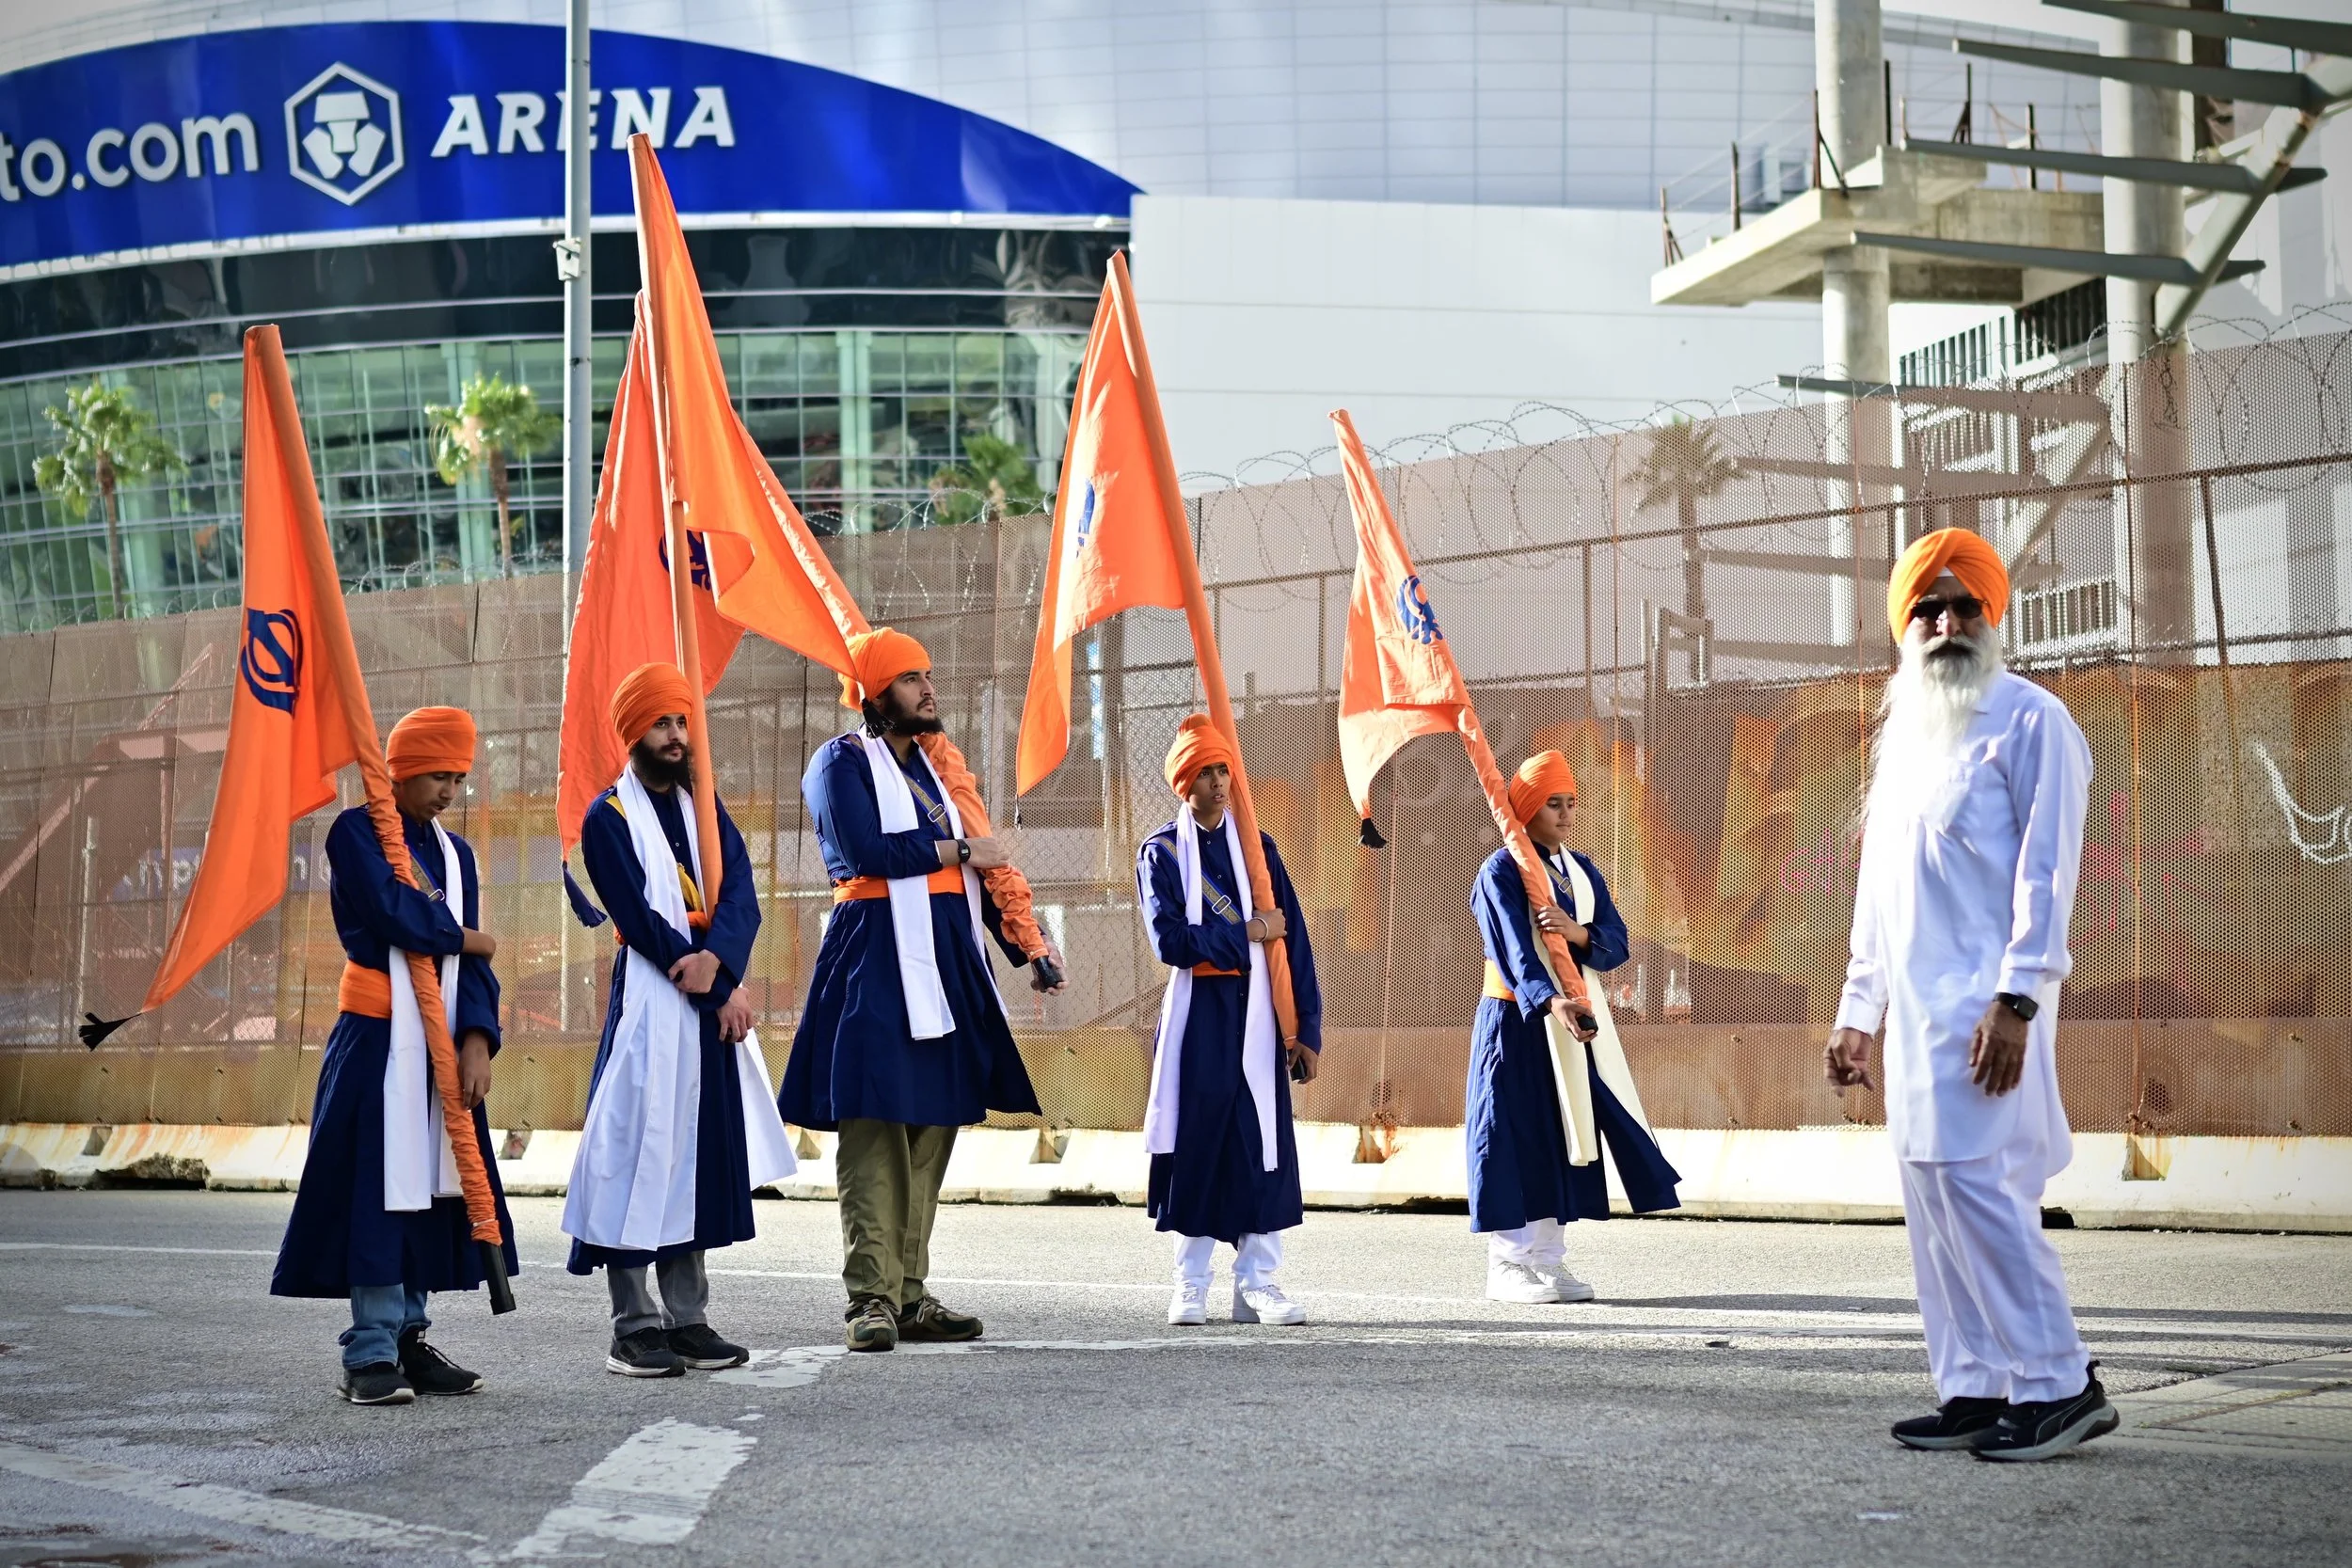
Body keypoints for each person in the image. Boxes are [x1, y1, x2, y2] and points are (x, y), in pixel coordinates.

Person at [1829, 527, 2114, 1463]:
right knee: (1928, 1195)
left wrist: (2019, 998)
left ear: (1993, 616)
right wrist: (1855, 1012)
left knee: (1977, 1189)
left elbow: (2047, 874)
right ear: (1903, 628)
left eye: (1963, 606)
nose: (1945, 622)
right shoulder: (1906, 735)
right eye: (1926, 609)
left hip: (1984, 1013)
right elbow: (1879, 891)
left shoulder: (2034, 721)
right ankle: (1973, 1384)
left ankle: (2057, 1380)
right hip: (1909, 1021)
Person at [780, 628, 1064, 1353]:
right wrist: (962, 848)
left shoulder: (936, 774)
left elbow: (966, 879)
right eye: (910, 679)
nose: (927, 688)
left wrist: (1027, 947)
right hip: (872, 958)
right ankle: (869, 1297)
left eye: (928, 676)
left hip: (944, 961)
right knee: (874, 1126)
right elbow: (866, 850)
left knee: (931, 1125)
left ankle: (909, 1292)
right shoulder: (839, 761)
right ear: (876, 696)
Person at [271, 706, 516, 1406]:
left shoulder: (456, 853)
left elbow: (470, 969)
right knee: (379, 1192)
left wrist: (477, 1037)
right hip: (376, 1038)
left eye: (459, 778)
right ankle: (370, 1348)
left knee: (430, 1194)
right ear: (402, 769)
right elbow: (389, 914)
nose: (450, 790)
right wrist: (467, 938)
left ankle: (411, 1335)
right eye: (440, 774)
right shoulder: (355, 832)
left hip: (441, 1041)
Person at [564, 662, 796, 1379]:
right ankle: (634, 1325)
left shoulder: (704, 805)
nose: (674, 735)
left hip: (702, 997)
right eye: (661, 723)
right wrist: (704, 978)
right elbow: (636, 915)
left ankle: (687, 1318)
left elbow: (741, 898)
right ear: (633, 732)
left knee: (691, 1154)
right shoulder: (608, 817)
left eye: (680, 722)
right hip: (650, 997)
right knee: (638, 1150)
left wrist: (719, 970)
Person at [1467, 752, 1680, 1305]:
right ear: (1527, 810)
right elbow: (1512, 949)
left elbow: (1616, 941)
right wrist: (1549, 999)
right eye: (1551, 804)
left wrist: (1576, 932)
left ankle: (1548, 1259)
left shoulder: (1582, 870)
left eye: (1569, 803)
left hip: (1575, 1019)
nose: (1564, 814)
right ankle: (1507, 1263)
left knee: (1567, 1134)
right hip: (1517, 1021)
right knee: (1515, 1133)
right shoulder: (1501, 870)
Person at [1137, 716, 1324, 1327]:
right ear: (1184, 782)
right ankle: (1190, 1283)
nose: (1220, 782)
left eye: (1225, 770)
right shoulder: (1161, 851)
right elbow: (1171, 940)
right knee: (1197, 1142)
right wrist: (1243, 932)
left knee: (1259, 1141)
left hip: (1260, 1015)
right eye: (1207, 772)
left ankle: (1258, 1281)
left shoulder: (1258, 850)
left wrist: (1306, 1029)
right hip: (1199, 1017)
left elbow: (1290, 942)